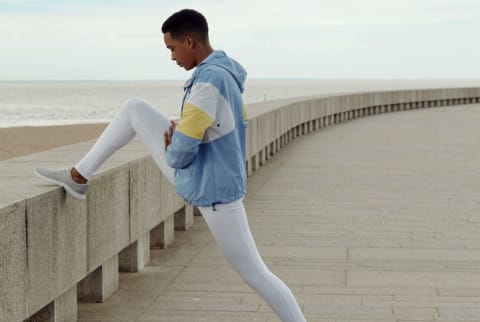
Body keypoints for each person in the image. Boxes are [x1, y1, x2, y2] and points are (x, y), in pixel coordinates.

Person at [34, 9, 307, 322]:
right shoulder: (223, 74)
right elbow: (215, 128)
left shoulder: (207, 83)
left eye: (172, 48)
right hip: (214, 179)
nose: (172, 57)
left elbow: (178, 156)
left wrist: (172, 142)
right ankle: (78, 175)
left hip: (214, 191)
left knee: (257, 274)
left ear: (189, 41)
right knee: (134, 108)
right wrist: (184, 131)